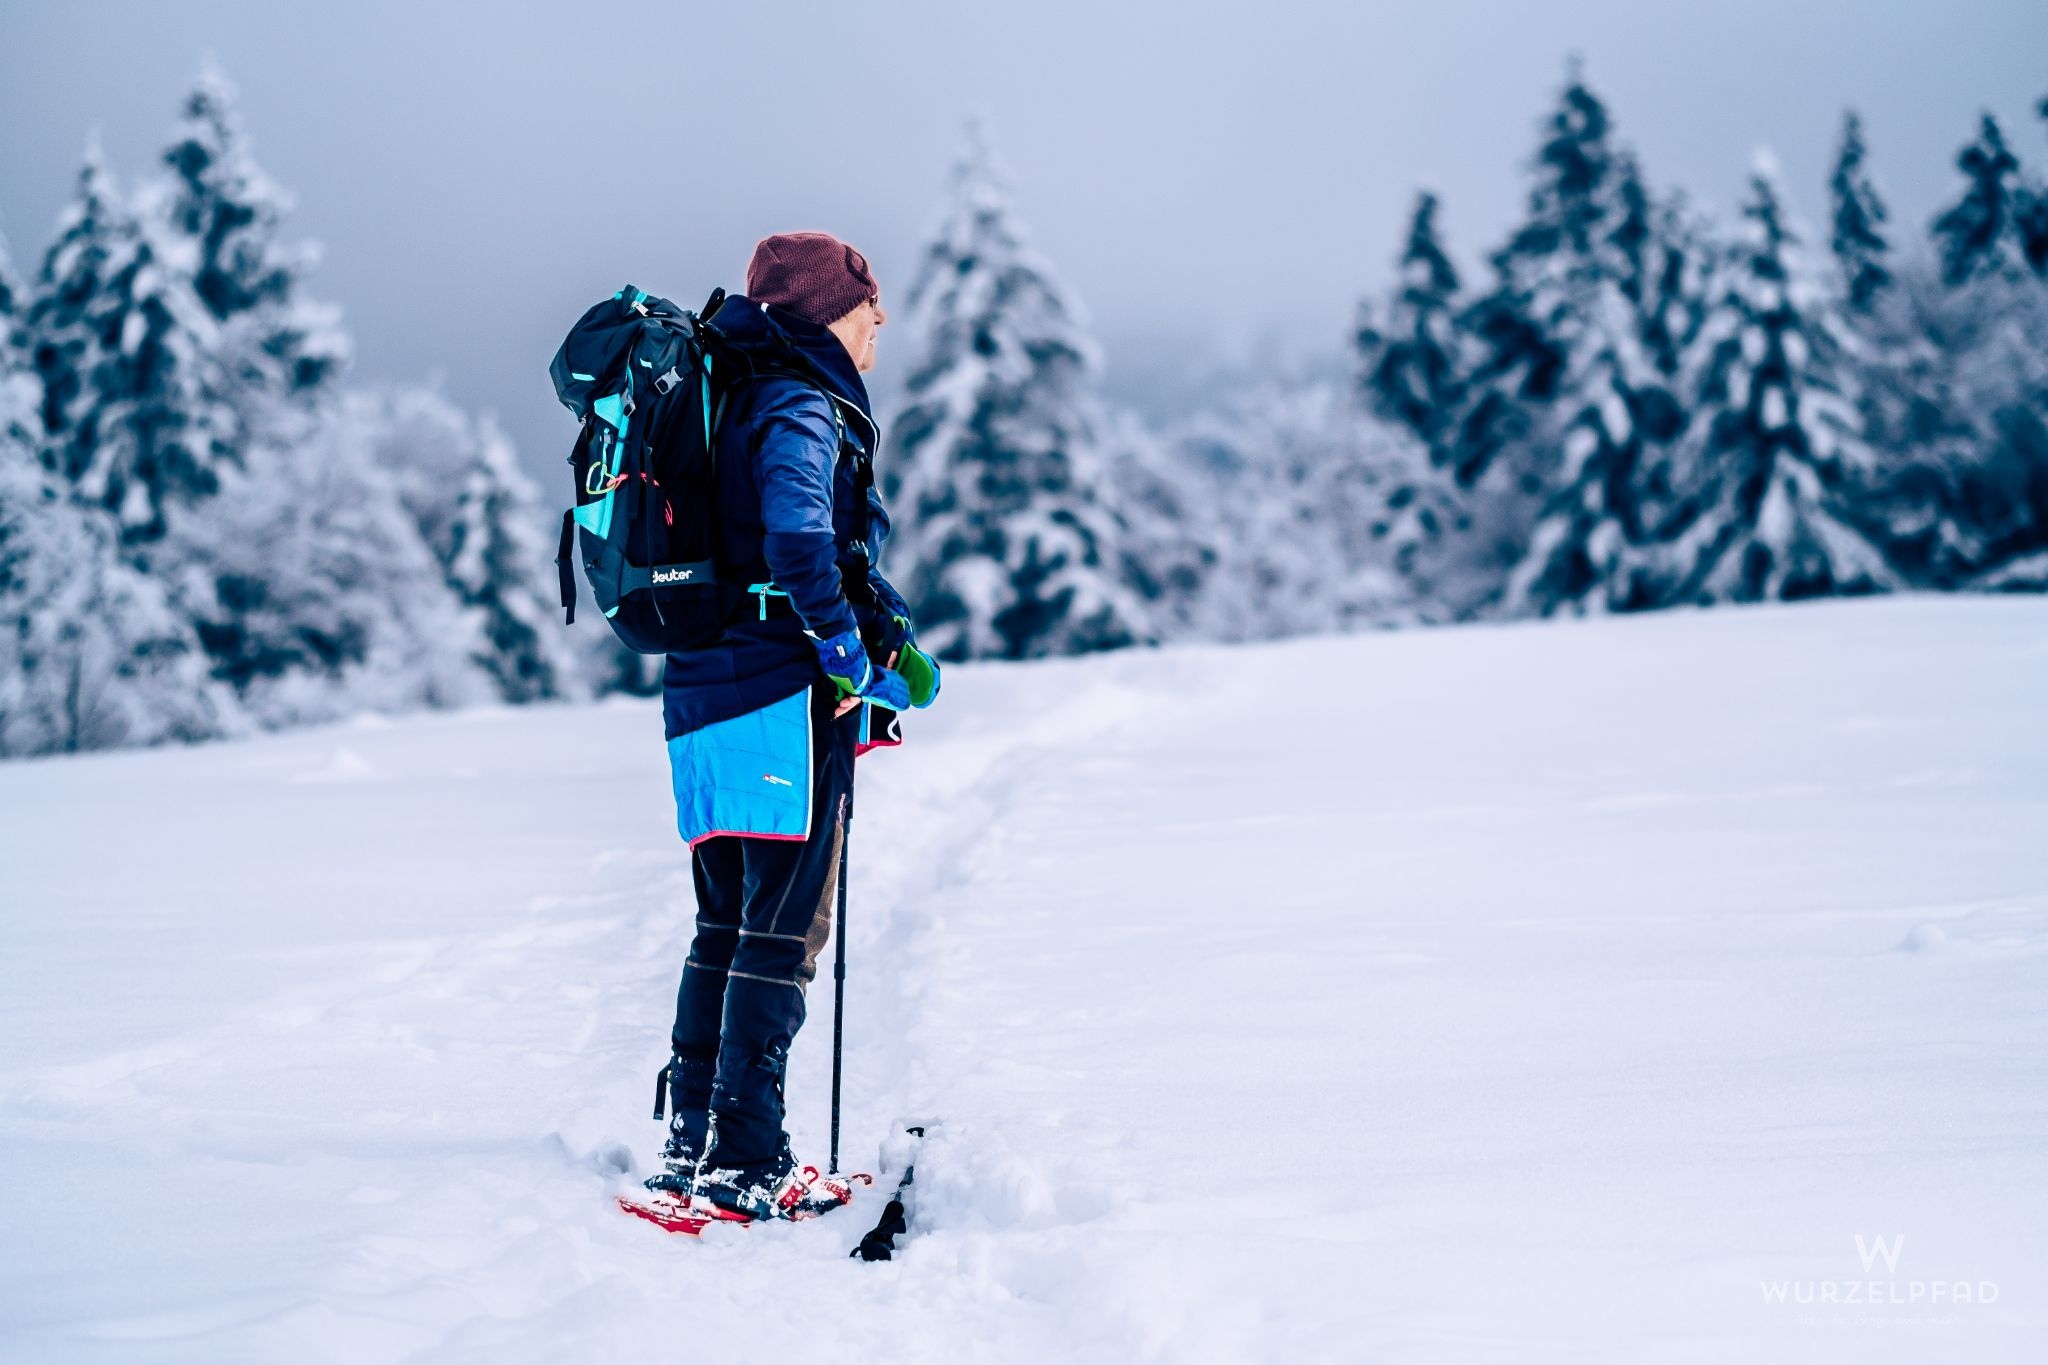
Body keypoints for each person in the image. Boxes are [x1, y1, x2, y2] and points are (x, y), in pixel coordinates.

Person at [646, 231, 939, 1221]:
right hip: (779, 689)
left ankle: (693, 1146)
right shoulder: (798, 402)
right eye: (868, 307)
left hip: (700, 687)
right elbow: (800, 533)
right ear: (824, 315)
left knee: (725, 920)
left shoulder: (730, 394)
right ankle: (745, 1165)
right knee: (781, 928)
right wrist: (845, 659)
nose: (880, 323)